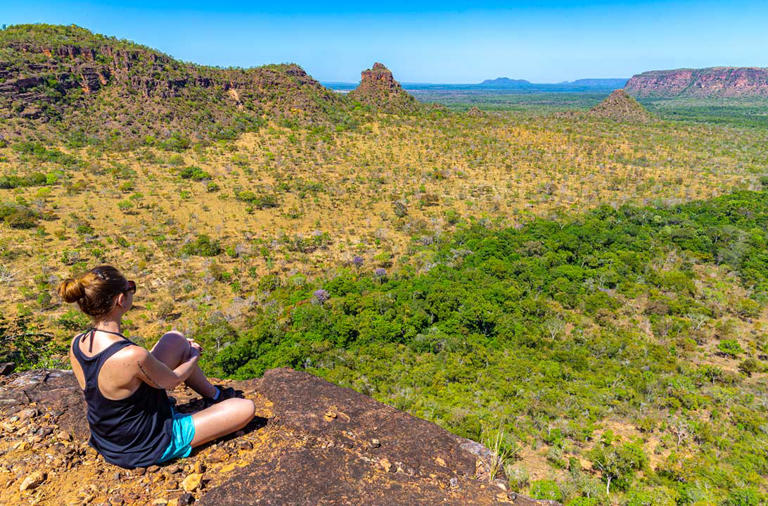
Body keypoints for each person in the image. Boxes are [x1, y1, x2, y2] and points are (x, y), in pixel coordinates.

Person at [58, 265, 255, 469]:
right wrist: (193, 355)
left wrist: (182, 349)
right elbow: (174, 381)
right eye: (130, 288)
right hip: (145, 444)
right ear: (120, 300)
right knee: (245, 408)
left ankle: (214, 395)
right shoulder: (132, 355)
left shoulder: (77, 343)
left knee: (175, 339)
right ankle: (192, 421)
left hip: (108, 439)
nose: (131, 292)